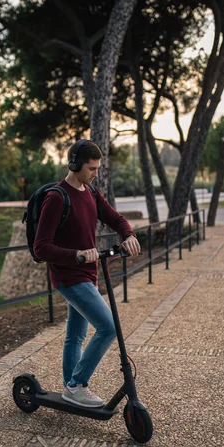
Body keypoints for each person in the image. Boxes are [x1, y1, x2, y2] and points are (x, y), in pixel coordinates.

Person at [34, 139, 141, 408]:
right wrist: (77, 254)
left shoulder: (91, 192)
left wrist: (127, 234)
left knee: (76, 336)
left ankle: (71, 386)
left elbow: (115, 218)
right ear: (75, 165)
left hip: (87, 275)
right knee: (107, 327)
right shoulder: (57, 198)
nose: (96, 173)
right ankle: (77, 385)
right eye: (92, 168)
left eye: (98, 168)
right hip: (69, 278)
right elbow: (41, 247)